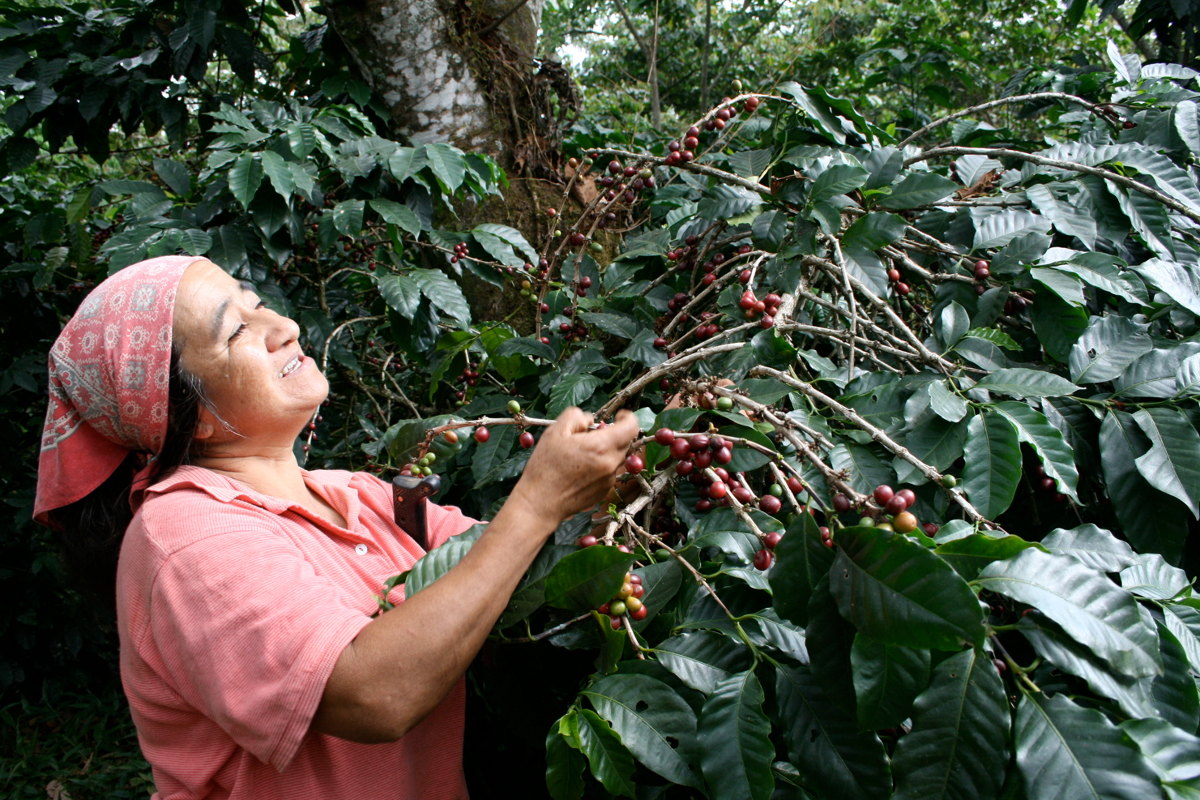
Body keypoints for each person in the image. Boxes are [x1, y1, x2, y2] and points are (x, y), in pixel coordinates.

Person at [35, 255, 639, 799]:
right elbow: (374, 697)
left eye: (256, 301)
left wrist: (614, 491)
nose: (284, 328)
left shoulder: (357, 495)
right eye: (238, 330)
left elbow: (511, 568)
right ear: (192, 418)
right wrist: (536, 505)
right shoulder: (186, 536)